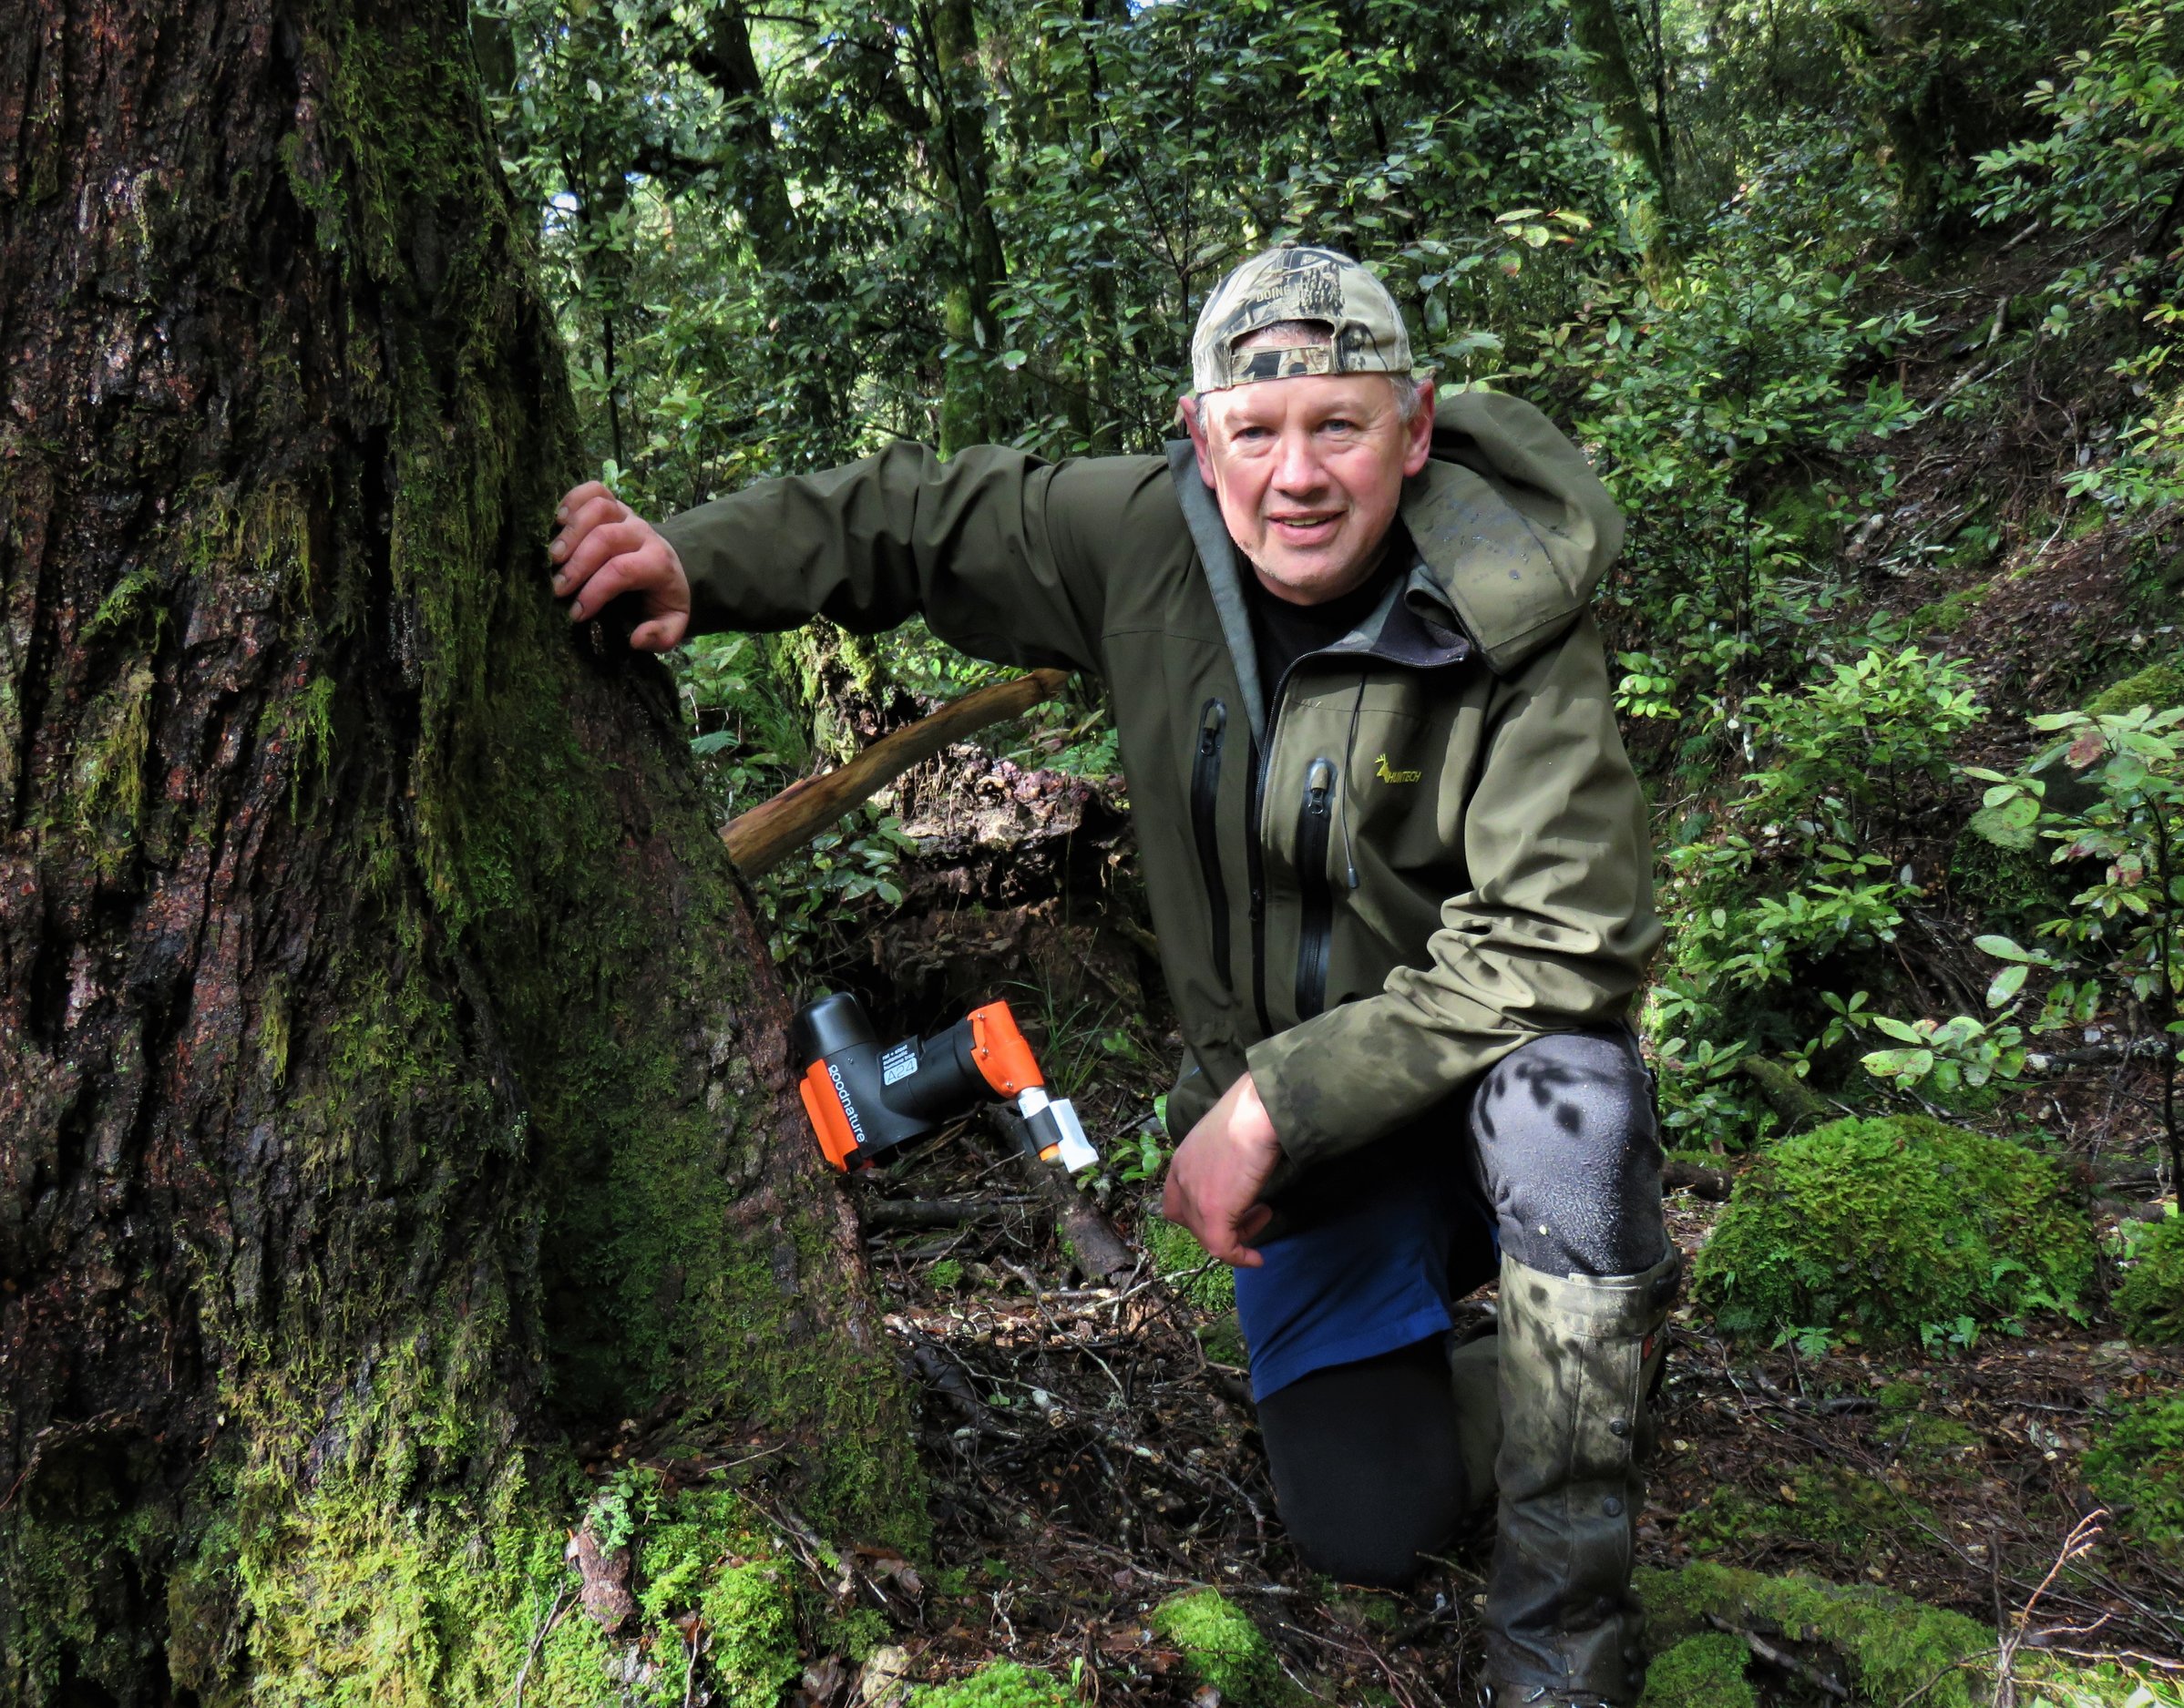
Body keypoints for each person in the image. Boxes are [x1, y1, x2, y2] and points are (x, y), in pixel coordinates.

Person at [548, 245, 1673, 1707]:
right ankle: (1582, 1374)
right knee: (1365, 1525)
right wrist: (695, 560)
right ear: (1202, 441)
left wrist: (1267, 1104)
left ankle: (1560, 1641)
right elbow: (921, 523)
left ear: (1413, 426)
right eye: (1256, 432)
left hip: (1466, 1107)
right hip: (1324, 1168)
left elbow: (1566, 932)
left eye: (1339, 425)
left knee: (1573, 1105)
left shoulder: (1506, 598)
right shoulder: (1145, 542)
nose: (1298, 476)